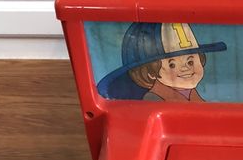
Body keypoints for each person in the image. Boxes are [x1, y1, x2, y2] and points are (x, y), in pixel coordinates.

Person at [96, 22, 226, 101]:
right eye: (172, 64)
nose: (186, 68)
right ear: (150, 73)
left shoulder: (192, 93)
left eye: (190, 62)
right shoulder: (154, 99)